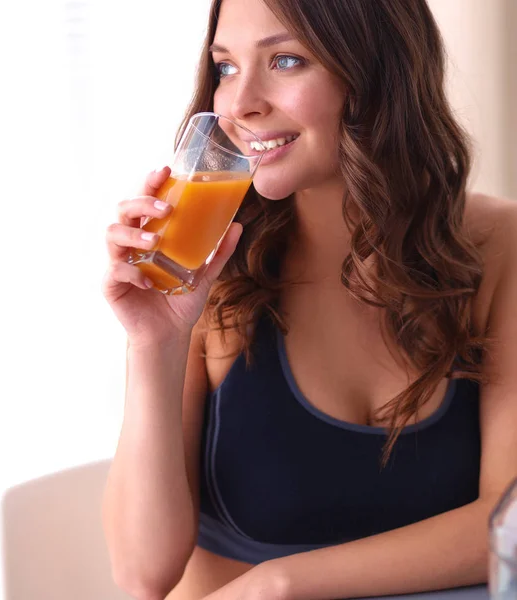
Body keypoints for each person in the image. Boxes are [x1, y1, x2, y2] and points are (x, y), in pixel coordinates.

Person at [101, 0, 517, 598]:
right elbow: (142, 575)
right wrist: (153, 343)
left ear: (376, 74)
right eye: (225, 68)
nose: (240, 104)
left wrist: (280, 584)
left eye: (286, 60)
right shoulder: (204, 265)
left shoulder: (498, 251)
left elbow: (502, 525)